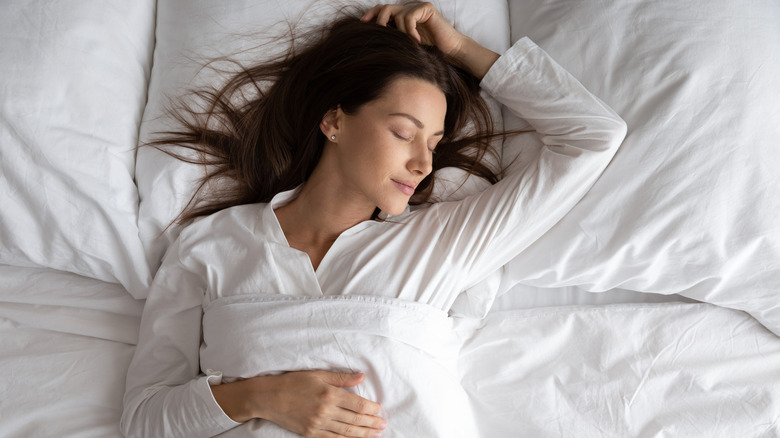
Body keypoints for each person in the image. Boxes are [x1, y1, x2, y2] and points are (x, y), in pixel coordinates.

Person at [121, 2, 627, 438]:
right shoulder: (212, 245)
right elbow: (144, 419)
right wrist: (260, 396)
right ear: (335, 120)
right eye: (405, 132)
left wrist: (459, 48)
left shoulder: (441, 242)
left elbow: (592, 135)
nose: (424, 164)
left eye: (434, 143)